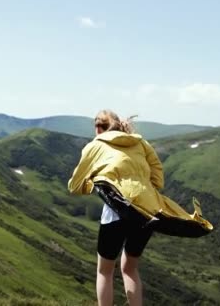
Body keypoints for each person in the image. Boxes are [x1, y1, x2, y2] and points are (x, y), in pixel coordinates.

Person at [67, 110, 164, 306]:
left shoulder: (96, 145)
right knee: (129, 268)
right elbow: (158, 180)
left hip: (116, 214)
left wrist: (96, 183)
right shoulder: (141, 143)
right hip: (147, 211)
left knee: (105, 270)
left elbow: (74, 186)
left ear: (98, 127)